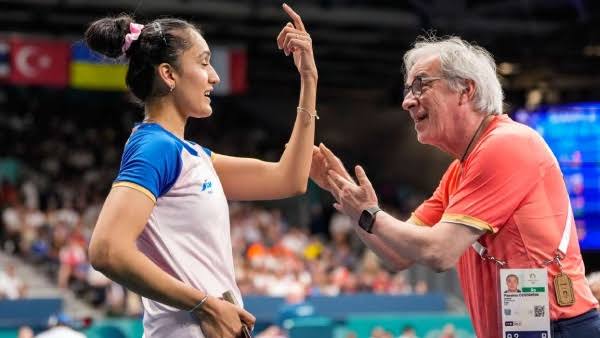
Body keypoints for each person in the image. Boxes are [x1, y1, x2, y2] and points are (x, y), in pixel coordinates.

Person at [310, 36, 599, 338]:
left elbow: (439, 251)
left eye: (421, 85)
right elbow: (397, 254)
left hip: (557, 328)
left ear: (466, 90)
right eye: (408, 89)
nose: (407, 101)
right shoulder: (459, 170)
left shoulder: (506, 144)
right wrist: (341, 189)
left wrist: (369, 214)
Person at [86, 4, 318, 338]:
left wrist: (309, 79)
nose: (215, 76)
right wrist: (206, 305)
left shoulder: (191, 155)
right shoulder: (155, 146)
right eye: (204, 62)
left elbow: (290, 179)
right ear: (169, 75)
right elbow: (106, 250)